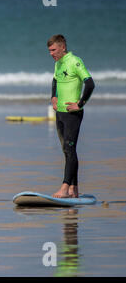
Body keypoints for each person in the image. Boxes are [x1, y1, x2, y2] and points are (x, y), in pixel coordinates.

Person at [47, 34, 95, 198]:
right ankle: (74, 189)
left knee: (69, 148)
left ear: (63, 47)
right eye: (49, 51)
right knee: (67, 150)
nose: (51, 53)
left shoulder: (75, 61)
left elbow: (90, 83)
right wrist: (53, 96)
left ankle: (65, 187)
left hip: (72, 114)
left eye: (53, 50)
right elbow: (55, 80)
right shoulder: (57, 63)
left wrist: (80, 104)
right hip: (59, 112)